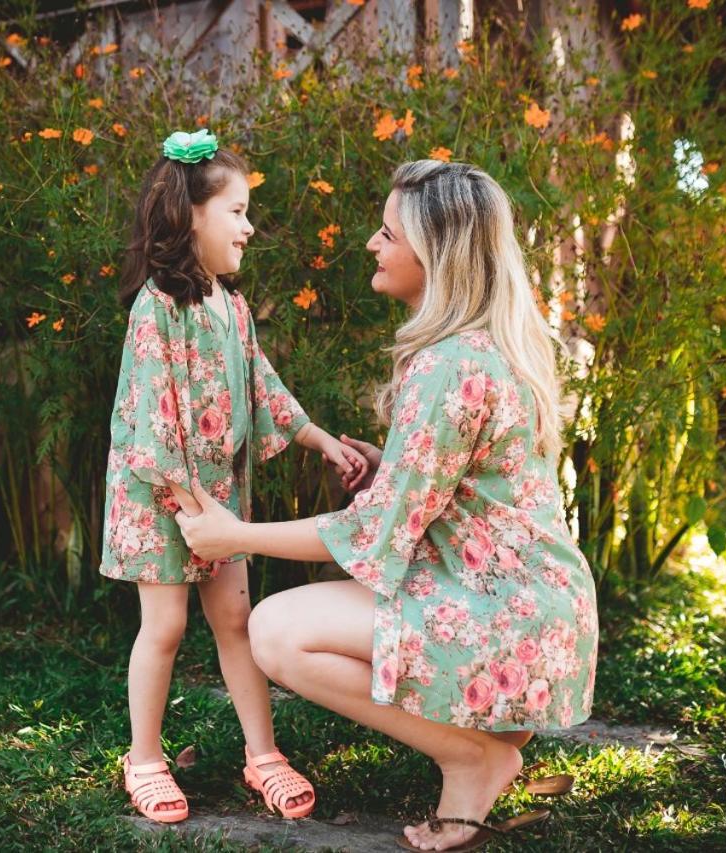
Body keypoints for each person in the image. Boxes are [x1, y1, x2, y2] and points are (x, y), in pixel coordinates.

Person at [176, 160, 598, 851]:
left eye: (387, 233)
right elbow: (467, 489)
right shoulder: (486, 347)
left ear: (435, 252)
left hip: (499, 617)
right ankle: (483, 743)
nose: (372, 245)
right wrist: (390, 468)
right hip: (535, 612)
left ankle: (474, 757)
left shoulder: (448, 365)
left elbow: (371, 535)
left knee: (275, 628)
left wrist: (234, 534)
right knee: (297, 621)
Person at [100, 128, 369, 824]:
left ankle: (262, 754)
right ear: (191, 215)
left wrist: (320, 442)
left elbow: (263, 389)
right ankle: (145, 758)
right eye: (239, 210)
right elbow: (151, 422)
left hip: (217, 498)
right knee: (163, 625)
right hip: (165, 497)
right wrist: (196, 515)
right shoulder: (157, 308)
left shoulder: (232, 306)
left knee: (235, 622)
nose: (250, 227)